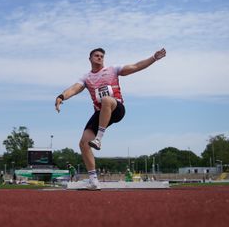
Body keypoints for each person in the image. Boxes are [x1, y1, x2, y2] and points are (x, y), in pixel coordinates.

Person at [55, 47, 166, 189]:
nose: (99, 58)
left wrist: (154, 58)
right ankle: (94, 180)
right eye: (96, 55)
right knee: (83, 143)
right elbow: (74, 89)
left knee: (107, 99)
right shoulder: (86, 78)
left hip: (116, 108)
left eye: (102, 56)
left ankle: (99, 139)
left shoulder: (113, 70)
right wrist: (61, 96)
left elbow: (136, 66)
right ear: (90, 59)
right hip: (101, 113)